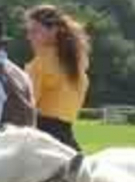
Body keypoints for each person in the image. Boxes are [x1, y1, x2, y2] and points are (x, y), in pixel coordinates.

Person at [24, 4, 91, 151]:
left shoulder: (39, 64)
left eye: (35, 31)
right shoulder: (79, 67)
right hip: (68, 142)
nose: (29, 37)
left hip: (42, 141)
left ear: (53, 31)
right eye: (28, 31)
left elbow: (26, 109)